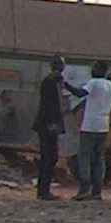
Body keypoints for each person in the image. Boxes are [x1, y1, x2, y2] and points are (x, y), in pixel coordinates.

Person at [70, 60, 111, 201]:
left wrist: (65, 85)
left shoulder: (94, 83)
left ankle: (84, 189)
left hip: (89, 126)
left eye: (94, 67)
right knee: (99, 159)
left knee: (84, 157)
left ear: (98, 69)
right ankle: (97, 191)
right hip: (103, 127)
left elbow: (80, 93)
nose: (92, 70)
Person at [34, 57, 70, 201]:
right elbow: (50, 105)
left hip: (49, 124)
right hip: (48, 125)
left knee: (50, 157)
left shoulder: (53, 80)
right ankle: (43, 191)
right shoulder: (52, 81)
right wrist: (52, 123)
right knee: (49, 157)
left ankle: (43, 190)